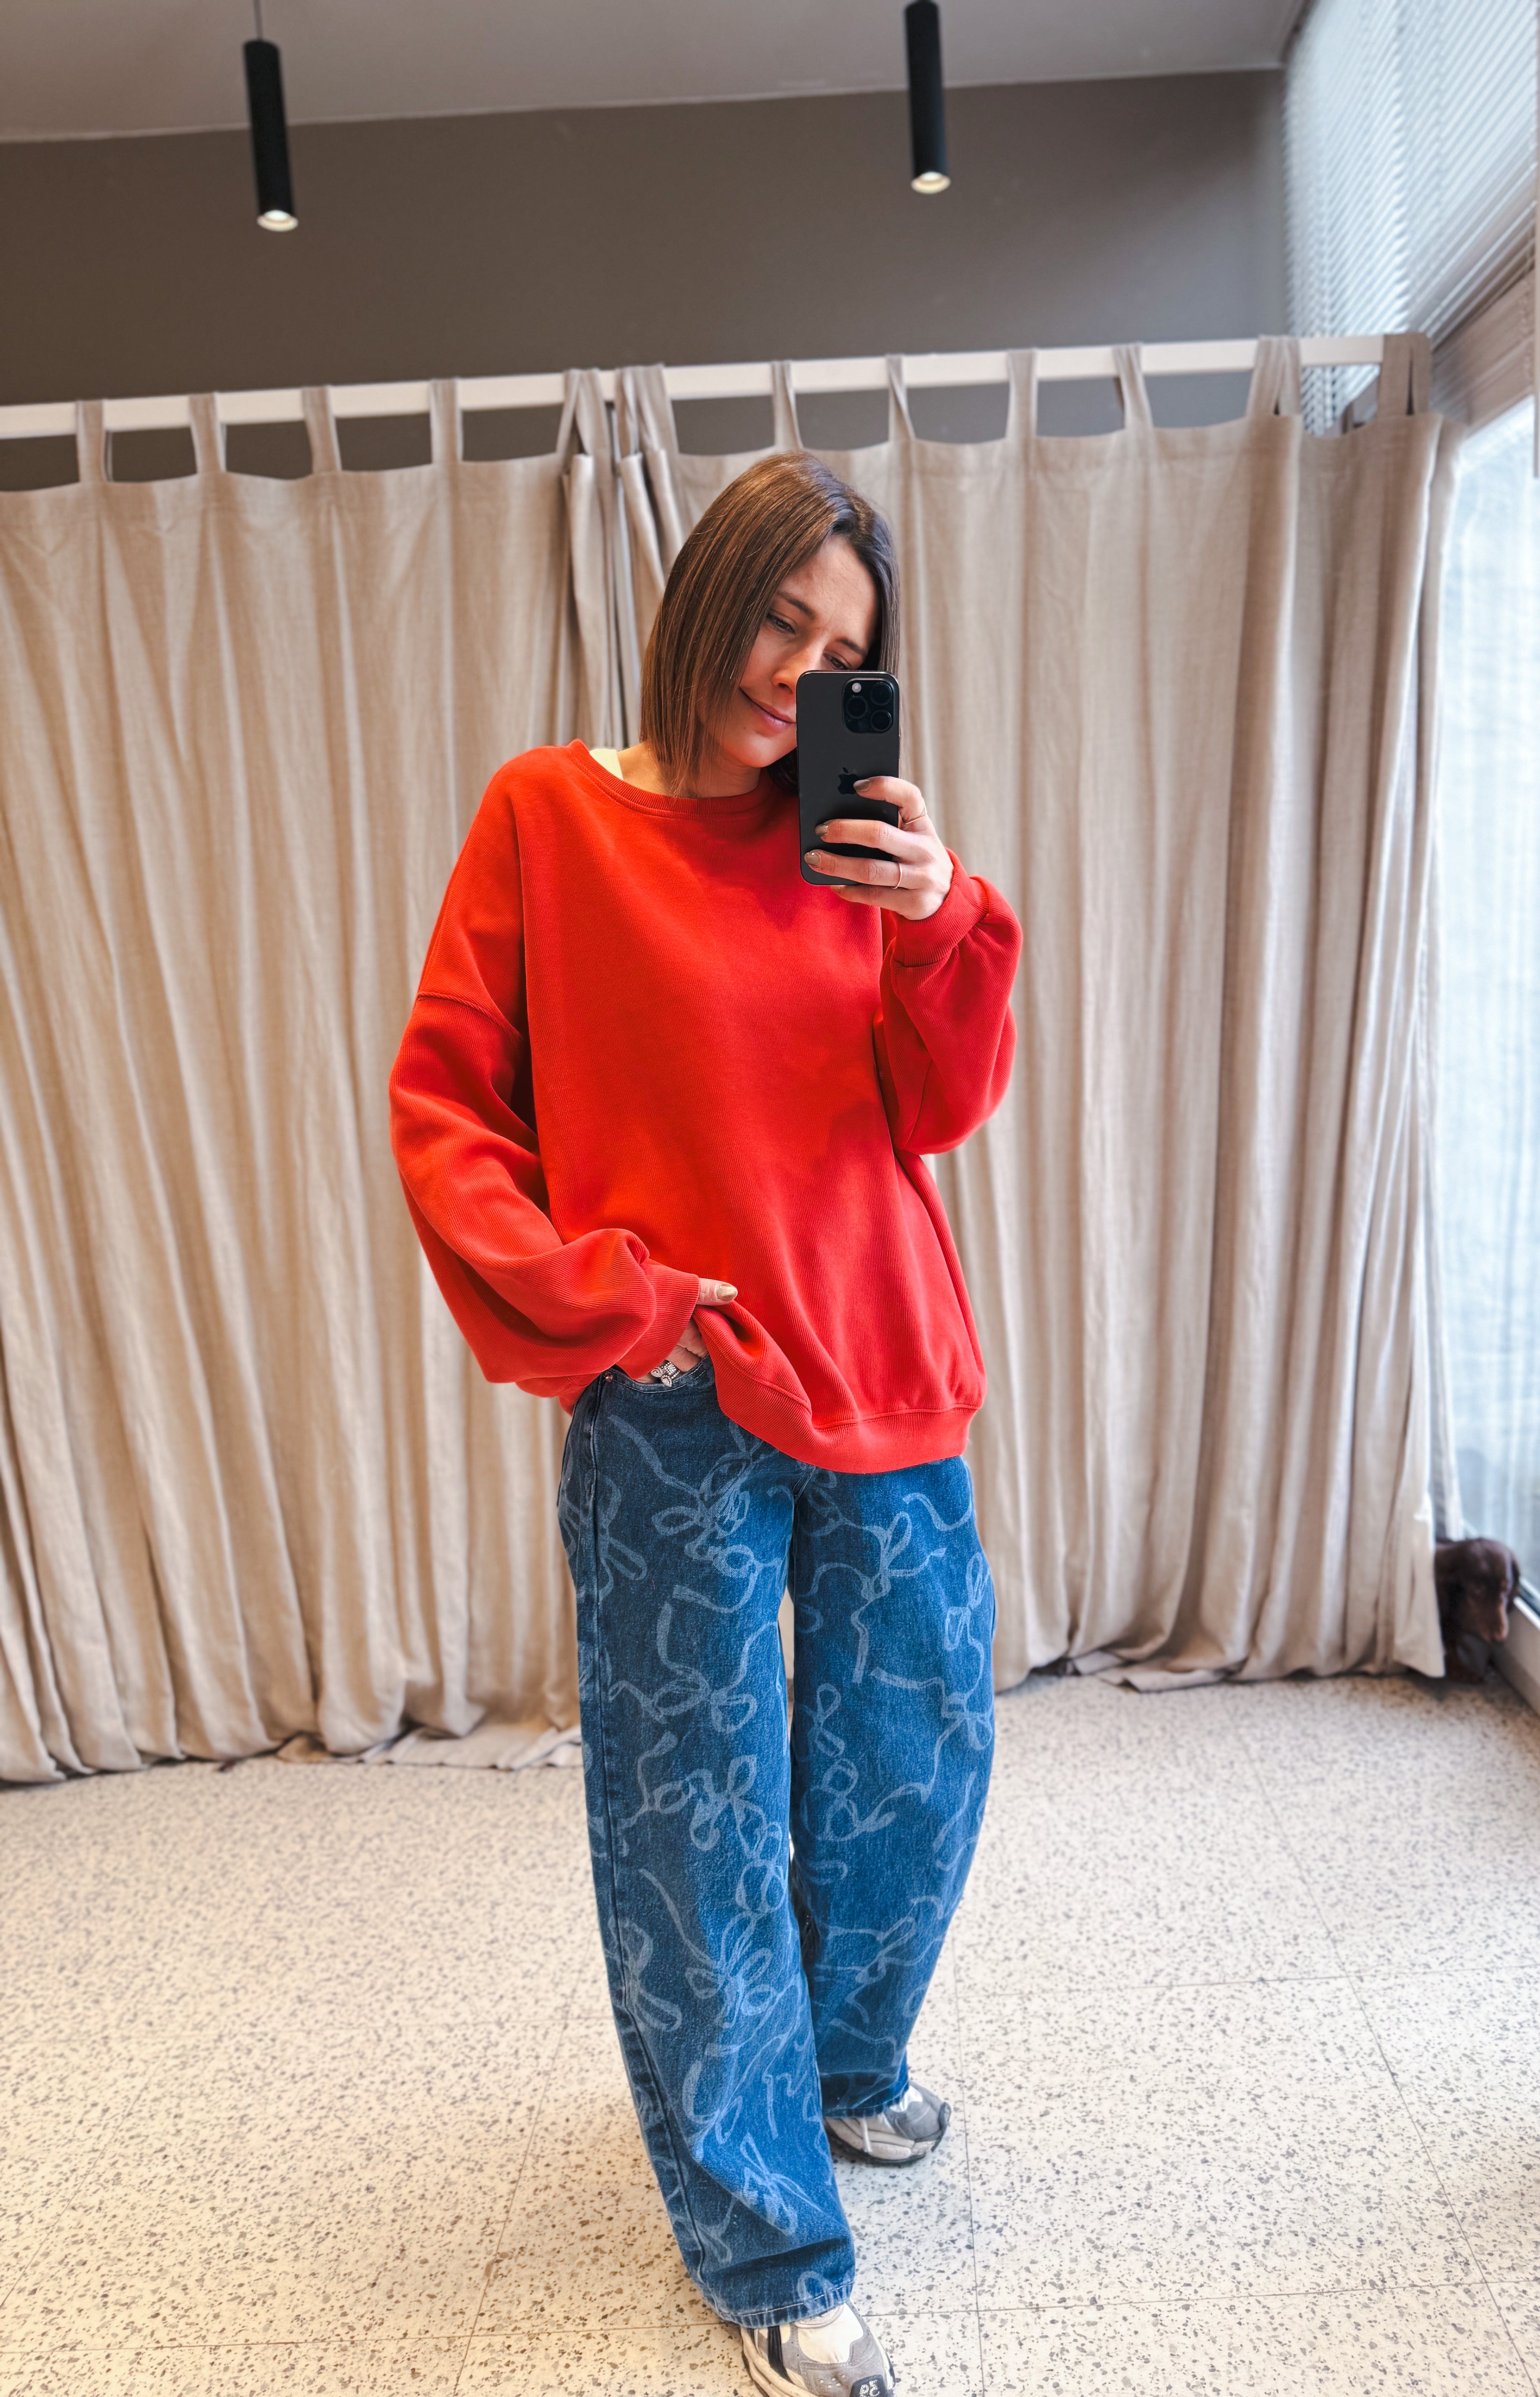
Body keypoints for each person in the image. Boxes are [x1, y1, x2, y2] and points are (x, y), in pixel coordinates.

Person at [388, 451, 1022, 2397]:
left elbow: (940, 1104)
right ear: (704, 595)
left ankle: (841, 2064)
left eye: (841, 651)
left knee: (919, 1760)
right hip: (676, 1398)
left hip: (882, 1357)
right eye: (776, 619)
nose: (798, 674)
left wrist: (941, 911)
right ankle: (767, 2241)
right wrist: (618, 1301)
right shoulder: (550, 815)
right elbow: (448, 1113)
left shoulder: (858, 842)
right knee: (698, 1821)